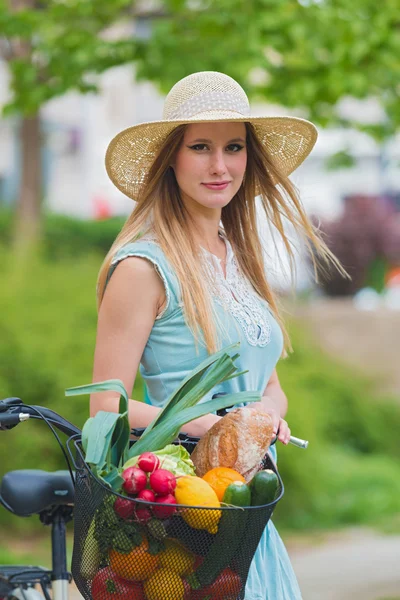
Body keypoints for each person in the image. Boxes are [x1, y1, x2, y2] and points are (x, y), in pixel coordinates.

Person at [90, 71, 347, 599]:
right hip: (180, 520)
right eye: (200, 147)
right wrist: (215, 428)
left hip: (242, 509)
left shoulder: (241, 259)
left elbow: (268, 386)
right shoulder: (144, 267)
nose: (219, 165)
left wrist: (265, 418)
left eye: (233, 147)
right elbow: (104, 407)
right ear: (172, 159)